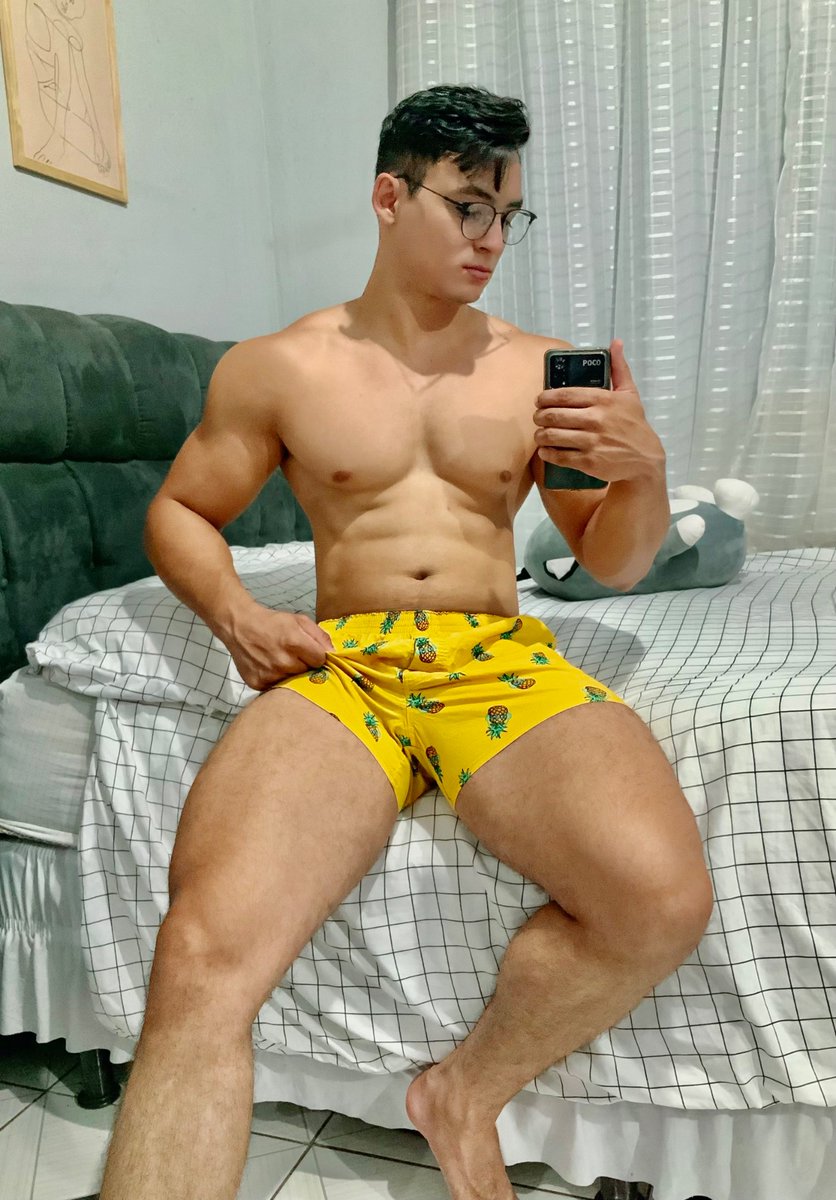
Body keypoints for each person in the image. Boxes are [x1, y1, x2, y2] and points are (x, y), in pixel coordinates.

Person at [98, 84, 713, 1200]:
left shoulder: (543, 369)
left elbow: (615, 562)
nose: (492, 240)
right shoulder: (278, 366)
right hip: (346, 669)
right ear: (390, 196)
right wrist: (237, 615)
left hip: (495, 659)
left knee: (659, 901)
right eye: (469, 207)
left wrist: (645, 475)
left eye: (508, 215)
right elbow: (180, 510)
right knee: (199, 955)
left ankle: (463, 1093)